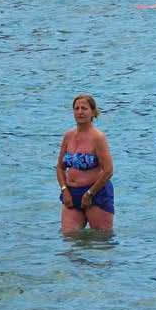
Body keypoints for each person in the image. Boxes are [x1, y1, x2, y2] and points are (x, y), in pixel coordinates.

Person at [56, 94, 114, 233]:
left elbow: (108, 170)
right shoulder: (68, 136)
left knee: (101, 240)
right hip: (71, 194)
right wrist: (64, 189)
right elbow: (60, 167)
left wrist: (90, 193)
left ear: (93, 112)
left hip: (96, 193)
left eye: (84, 108)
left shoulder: (98, 138)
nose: (80, 112)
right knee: (69, 239)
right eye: (76, 108)